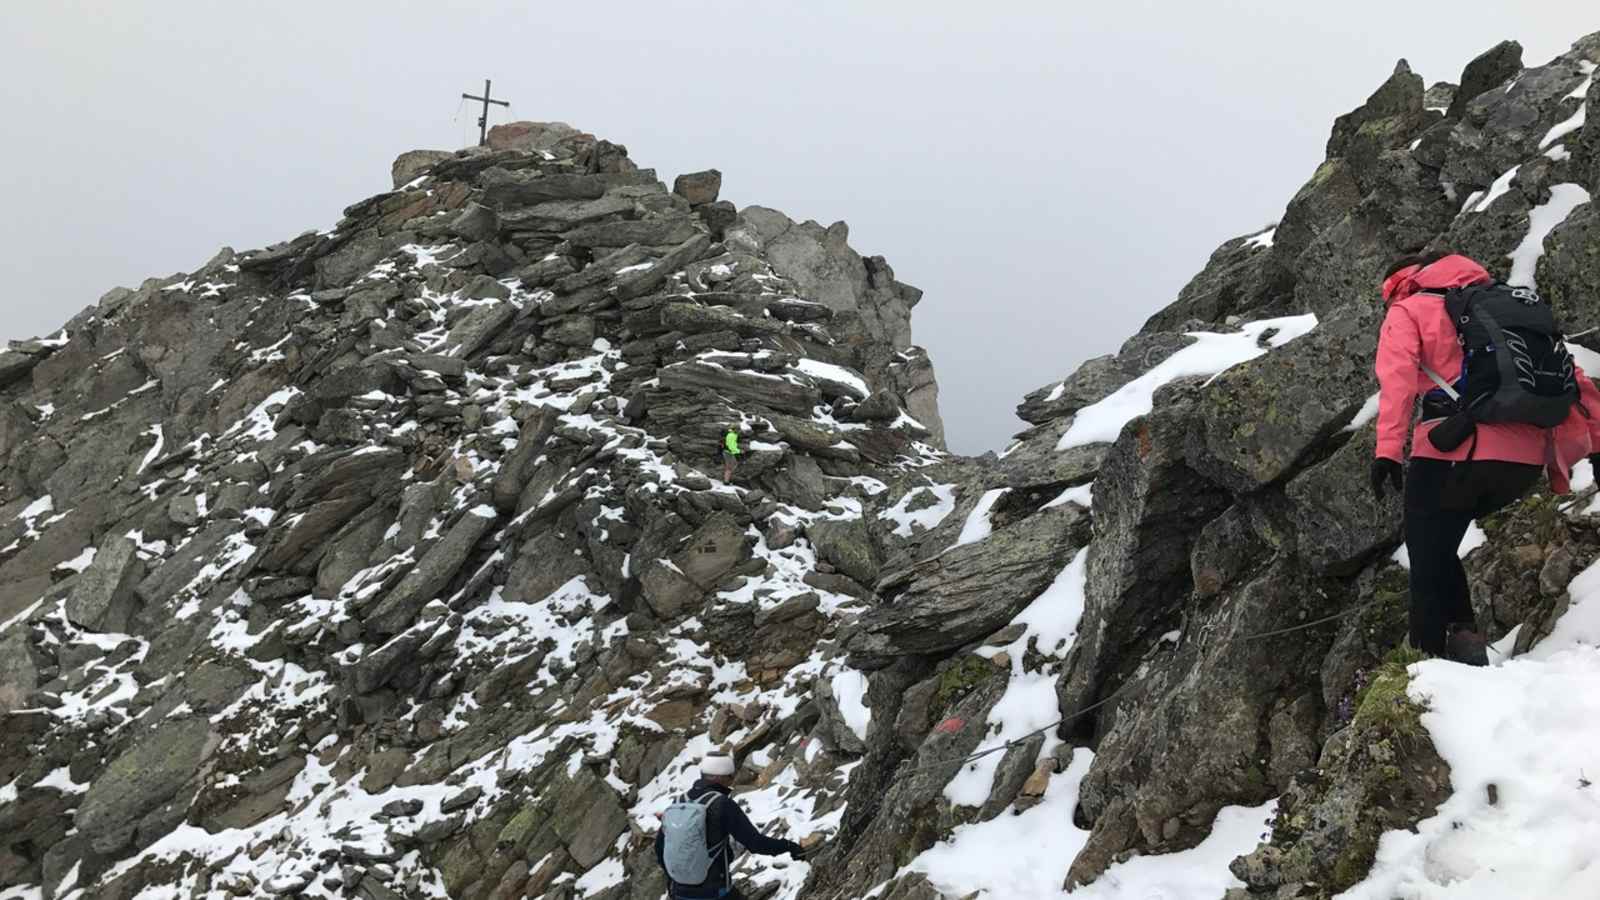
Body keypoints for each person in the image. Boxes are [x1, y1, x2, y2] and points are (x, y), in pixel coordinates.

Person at [1370, 251, 1600, 664]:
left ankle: (1427, 665)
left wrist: (1387, 451)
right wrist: (1598, 444)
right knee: (1438, 548)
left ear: (1396, 286)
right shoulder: (1508, 308)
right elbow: (1573, 377)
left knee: (1425, 551)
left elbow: (1398, 380)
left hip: (1458, 453)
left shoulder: (1409, 308)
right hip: (1525, 463)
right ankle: (1463, 639)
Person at [655, 754, 806, 899]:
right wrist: (789, 846)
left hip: (679, 892)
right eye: (730, 776)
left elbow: (659, 848)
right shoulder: (721, 804)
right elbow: (755, 843)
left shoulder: (678, 802)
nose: (732, 781)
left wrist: (675, 882)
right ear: (720, 777)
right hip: (714, 892)